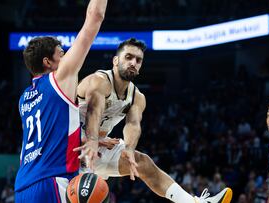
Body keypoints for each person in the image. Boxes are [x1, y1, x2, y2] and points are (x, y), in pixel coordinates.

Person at [74, 38, 233, 203]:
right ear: (115, 60)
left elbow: (133, 125)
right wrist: (94, 140)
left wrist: (128, 148)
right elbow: (94, 111)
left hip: (97, 147)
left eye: (138, 60)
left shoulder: (137, 97)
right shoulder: (99, 81)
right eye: (128, 57)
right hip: (67, 146)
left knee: (142, 162)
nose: (133, 63)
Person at [14, 0, 108, 202]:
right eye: (62, 54)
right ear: (48, 62)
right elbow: (94, 18)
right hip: (52, 181)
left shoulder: (24, 99)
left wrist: (88, 139)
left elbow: (50, 135)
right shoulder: (60, 77)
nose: (66, 58)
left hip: (23, 188)